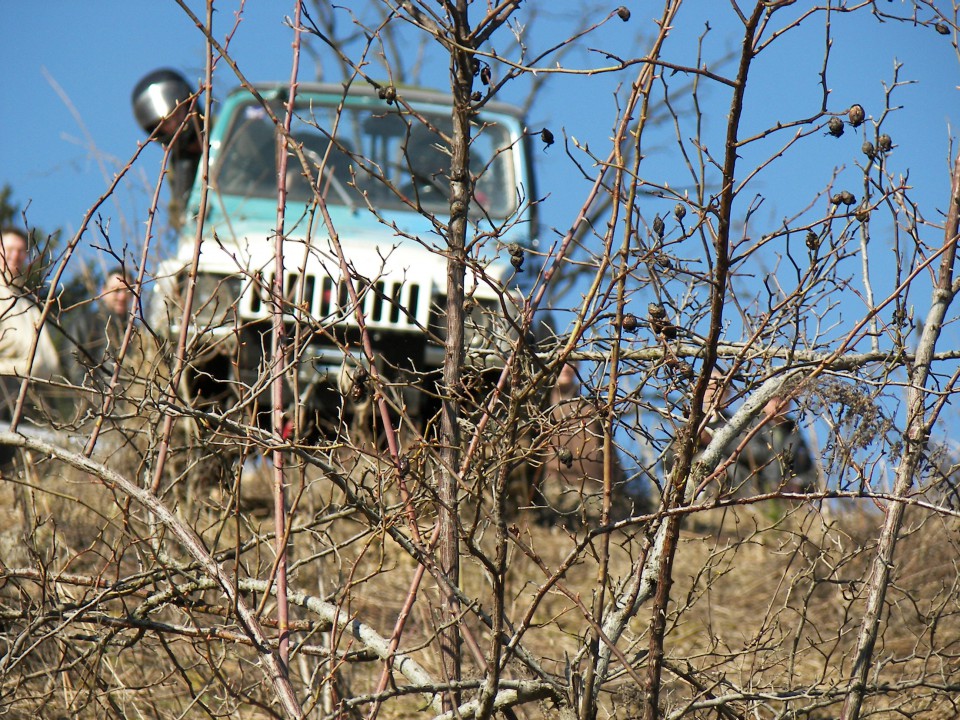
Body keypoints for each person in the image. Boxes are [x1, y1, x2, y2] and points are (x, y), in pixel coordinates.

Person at [536, 362, 630, 528]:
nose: (565, 368)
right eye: (561, 363)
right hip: (552, 487)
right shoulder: (538, 408)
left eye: (571, 363)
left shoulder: (591, 408)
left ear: (577, 368)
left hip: (593, 489)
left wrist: (619, 482)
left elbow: (609, 448)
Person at [0, 227, 61, 419]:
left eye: (20, 251)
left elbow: (49, 362)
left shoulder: (30, 306)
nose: (15, 256)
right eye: (8, 250)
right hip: (4, 394)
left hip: (38, 398)